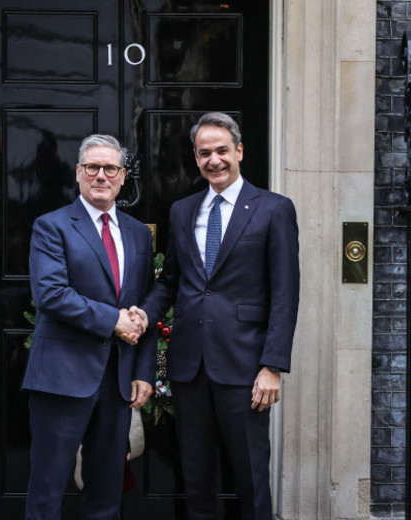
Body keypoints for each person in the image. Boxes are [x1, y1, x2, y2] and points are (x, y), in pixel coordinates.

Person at [132, 112, 300, 520]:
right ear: (196, 158)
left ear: (239, 151)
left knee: (250, 475)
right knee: (195, 476)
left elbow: (285, 292)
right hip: (189, 367)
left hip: (245, 368)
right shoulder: (182, 211)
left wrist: (273, 366)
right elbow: (171, 282)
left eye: (222, 150)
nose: (214, 160)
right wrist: (140, 316)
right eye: (205, 153)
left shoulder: (273, 209)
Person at [22, 134, 156, 520]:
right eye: (93, 167)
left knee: (106, 494)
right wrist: (113, 319)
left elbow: (146, 305)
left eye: (110, 168)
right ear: (79, 173)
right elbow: (51, 294)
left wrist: (144, 370)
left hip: (117, 383)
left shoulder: (136, 233)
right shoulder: (52, 226)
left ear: (122, 175)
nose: (101, 175)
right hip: (61, 379)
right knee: (47, 491)